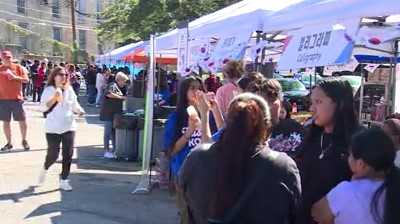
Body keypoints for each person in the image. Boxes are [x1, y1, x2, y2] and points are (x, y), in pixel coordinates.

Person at [179, 93, 301, 224]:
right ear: (266, 127)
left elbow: (184, 203)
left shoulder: (197, 158)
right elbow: (295, 214)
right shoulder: (283, 167)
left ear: (228, 123)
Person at [295, 78, 360, 224]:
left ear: (339, 104)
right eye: (312, 102)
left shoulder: (357, 142)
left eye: (318, 102)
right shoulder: (310, 136)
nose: (311, 108)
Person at [312, 127, 400, 224]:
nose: (348, 159)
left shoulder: (347, 191)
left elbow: (316, 213)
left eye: (350, 155)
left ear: (361, 164)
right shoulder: (394, 187)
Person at [163, 75, 210, 224]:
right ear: (184, 92)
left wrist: (206, 115)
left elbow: (210, 143)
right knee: (187, 216)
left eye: (199, 88)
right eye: (193, 88)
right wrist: (189, 132)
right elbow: (171, 152)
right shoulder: (176, 117)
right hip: (183, 172)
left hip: (204, 172)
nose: (197, 92)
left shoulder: (206, 114)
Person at [38, 66, 85, 191]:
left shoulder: (69, 89)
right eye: (60, 74)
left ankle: (64, 180)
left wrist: (80, 111)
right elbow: (43, 107)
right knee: (53, 155)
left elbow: (74, 104)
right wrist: (55, 97)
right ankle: (45, 168)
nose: (63, 77)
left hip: (69, 126)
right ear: (54, 76)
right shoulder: (49, 90)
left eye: (65, 75)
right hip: (53, 128)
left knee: (68, 154)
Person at [0, 50, 30, 151]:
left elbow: (26, 80)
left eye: (9, 57)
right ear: (1, 58)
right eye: (5, 57)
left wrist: (14, 77)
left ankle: (24, 140)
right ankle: (9, 143)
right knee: (6, 122)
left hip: (17, 99)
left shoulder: (18, 67)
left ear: (11, 57)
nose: (7, 59)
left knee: (22, 120)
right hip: (3, 100)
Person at [100, 72, 129, 159]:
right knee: (108, 133)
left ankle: (114, 150)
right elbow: (109, 94)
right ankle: (106, 150)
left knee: (114, 132)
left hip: (116, 113)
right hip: (108, 113)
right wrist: (122, 98)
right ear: (119, 80)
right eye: (123, 81)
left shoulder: (123, 88)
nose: (124, 83)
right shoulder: (112, 85)